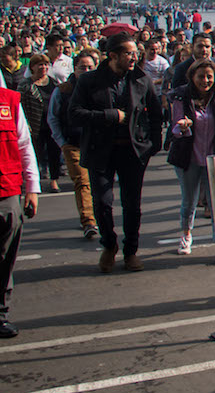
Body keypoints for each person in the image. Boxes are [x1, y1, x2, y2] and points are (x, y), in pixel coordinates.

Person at [70, 34, 164, 273]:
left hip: (132, 151)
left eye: (135, 53)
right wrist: (109, 116)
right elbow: (75, 113)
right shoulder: (89, 81)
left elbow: (155, 114)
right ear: (113, 56)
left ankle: (131, 250)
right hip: (100, 150)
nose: (134, 58)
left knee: (132, 205)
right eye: (128, 54)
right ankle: (109, 245)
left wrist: (153, 143)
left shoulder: (142, 80)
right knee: (102, 202)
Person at [167, 60, 215, 260]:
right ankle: (186, 234)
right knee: (189, 200)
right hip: (188, 158)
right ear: (192, 77)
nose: (205, 81)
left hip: (214, 159)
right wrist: (182, 127)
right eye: (201, 76)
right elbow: (174, 128)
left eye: (209, 76)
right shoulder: (181, 96)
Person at [0, 80, 40, 339]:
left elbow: (24, 144)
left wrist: (32, 187)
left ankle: (0, 314)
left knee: (4, 258)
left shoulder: (9, 101)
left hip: (6, 189)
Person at [47, 50, 99, 238]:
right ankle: (88, 221)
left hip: (96, 143)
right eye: (82, 67)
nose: (86, 70)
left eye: (90, 67)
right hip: (73, 144)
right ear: (74, 69)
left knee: (98, 184)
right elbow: (53, 118)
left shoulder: (100, 88)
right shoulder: (63, 90)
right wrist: (62, 143)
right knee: (82, 183)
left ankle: (98, 216)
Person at [19, 55, 62, 193]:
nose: (43, 67)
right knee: (35, 154)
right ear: (32, 67)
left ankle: (54, 180)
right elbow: (19, 106)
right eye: (40, 65)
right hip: (34, 124)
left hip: (51, 124)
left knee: (54, 153)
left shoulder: (53, 83)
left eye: (46, 64)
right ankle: (34, 182)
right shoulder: (25, 85)